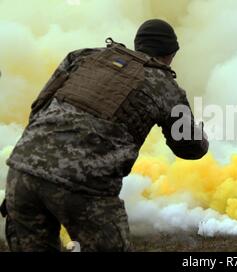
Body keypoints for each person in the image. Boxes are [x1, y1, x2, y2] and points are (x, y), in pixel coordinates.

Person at [1, 19, 208, 252]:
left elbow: (40, 106)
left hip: (23, 169)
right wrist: (199, 132)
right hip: (83, 184)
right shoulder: (167, 88)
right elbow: (191, 148)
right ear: (171, 53)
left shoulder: (83, 57)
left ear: (137, 44)